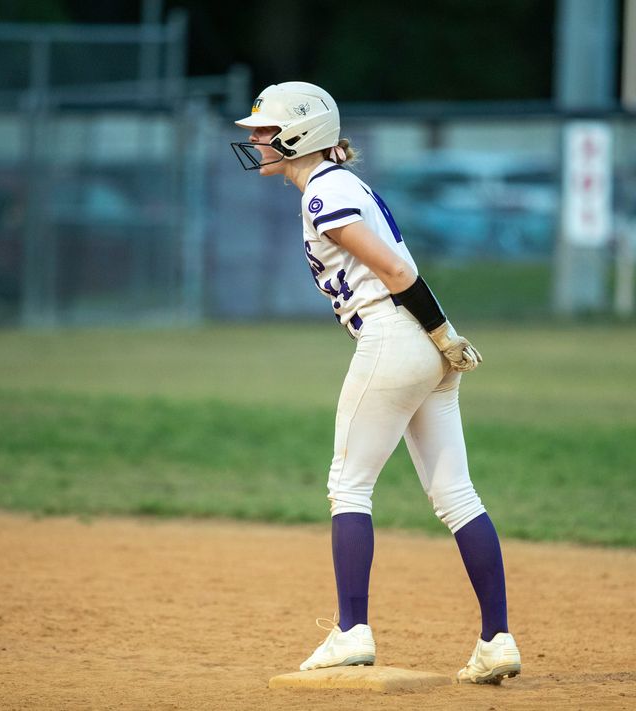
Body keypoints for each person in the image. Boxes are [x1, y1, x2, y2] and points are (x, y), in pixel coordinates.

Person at [231, 81, 521, 685]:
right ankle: (497, 640)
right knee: (457, 495)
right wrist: (442, 339)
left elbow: (394, 270)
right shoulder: (340, 184)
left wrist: (440, 333)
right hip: (417, 338)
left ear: (299, 134)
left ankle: (351, 630)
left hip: (396, 336)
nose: (254, 139)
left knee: (349, 485)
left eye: (264, 129)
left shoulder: (322, 193)